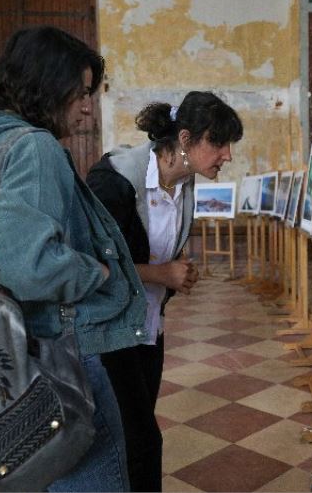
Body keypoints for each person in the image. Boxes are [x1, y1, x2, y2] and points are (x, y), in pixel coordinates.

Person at [0, 26, 145, 492]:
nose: (87, 105)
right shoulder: (35, 147)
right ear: (46, 86)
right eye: (80, 92)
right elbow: (29, 264)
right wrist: (92, 271)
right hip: (47, 355)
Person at [86, 91, 243, 491]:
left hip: (149, 327)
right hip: (110, 331)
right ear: (185, 139)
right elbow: (92, 267)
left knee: (136, 431)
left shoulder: (184, 183)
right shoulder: (115, 182)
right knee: (141, 441)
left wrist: (175, 274)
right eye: (219, 143)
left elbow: (158, 249)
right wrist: (162, 274)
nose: (227, 155)